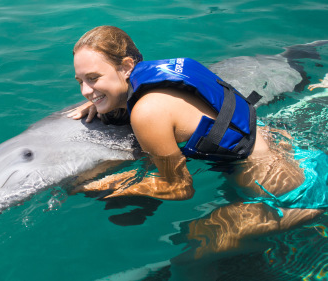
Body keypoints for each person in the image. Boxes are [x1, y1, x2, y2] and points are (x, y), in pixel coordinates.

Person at [67, 25, 327, 257]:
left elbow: (179, 188)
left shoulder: (147, 112)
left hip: (290, 195)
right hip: (299, 157)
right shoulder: (164, 73)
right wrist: (100, 98)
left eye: (93, 78)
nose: (85, 91)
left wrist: (104, 186)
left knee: (193, 242)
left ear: (125, 67)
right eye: (81, 82)